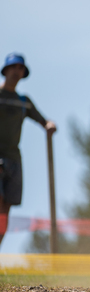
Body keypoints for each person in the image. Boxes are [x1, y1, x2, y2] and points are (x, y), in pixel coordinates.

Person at [0, 53, 57, 247]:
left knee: (5, 211)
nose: (17, 71)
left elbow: (44, 120)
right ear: (5, 70)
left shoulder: (23, 101)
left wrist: (49, 125)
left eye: (20, 68)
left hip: (14, 161)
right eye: (14, 67)